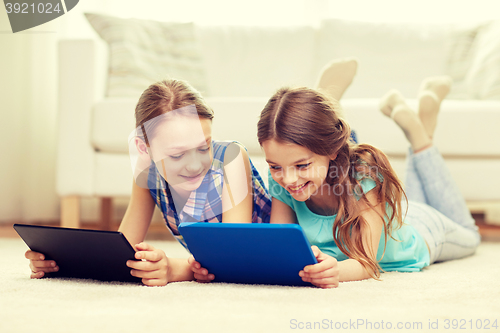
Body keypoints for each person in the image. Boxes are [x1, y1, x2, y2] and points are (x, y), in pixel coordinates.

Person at [25, 79, 272, 286]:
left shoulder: (230, 158)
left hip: (272, 258)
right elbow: (124, 250)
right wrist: (59, 263)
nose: (195, 164)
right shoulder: (147, 174)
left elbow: (233, 258)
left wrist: (175, 269)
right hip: (209, 263)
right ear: (145, 150)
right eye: (176, 155)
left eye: (203, 147)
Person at [256, 73, 480, 288]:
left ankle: (420, 137)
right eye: (275, 167)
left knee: (470, 235)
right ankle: (423, 126)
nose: (288, 179)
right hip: (390, 216)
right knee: (408, 202)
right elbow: (281, 247)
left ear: (332, 149)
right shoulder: (282, 178)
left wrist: (335, 271)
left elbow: (366, 264)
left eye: (302, 165)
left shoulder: (362, 174)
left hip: (421, 231)